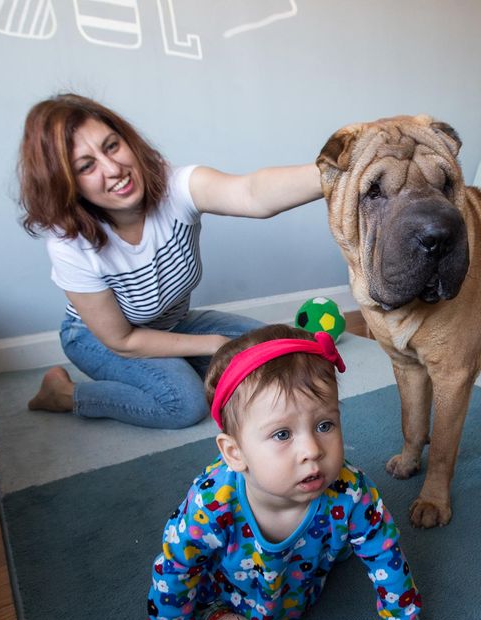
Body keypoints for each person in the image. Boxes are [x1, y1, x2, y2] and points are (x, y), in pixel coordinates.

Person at [146, 324, 464, 620]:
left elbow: (388, 558)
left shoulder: (350, 492)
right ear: (235, 453)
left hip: (303, 586)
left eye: (324, 424)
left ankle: (340, 541)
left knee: (365, 530)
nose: (312, 449)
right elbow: (173, 572)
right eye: (282, 434)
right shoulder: (210, 504)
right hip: (226, 592)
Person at [17, 93, 322, 428]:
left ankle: (183, 362)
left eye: (112, 146)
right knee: (183, 404)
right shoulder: (70, 244)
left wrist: (337, 173)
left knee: (283, 349)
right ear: (67, 183)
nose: (114, 169)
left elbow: (251, 193)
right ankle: (64, 394)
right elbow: (124, 341)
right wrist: (217, 345)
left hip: (170, 323)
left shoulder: (175, 187)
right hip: (100, 339)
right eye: (86, 166)